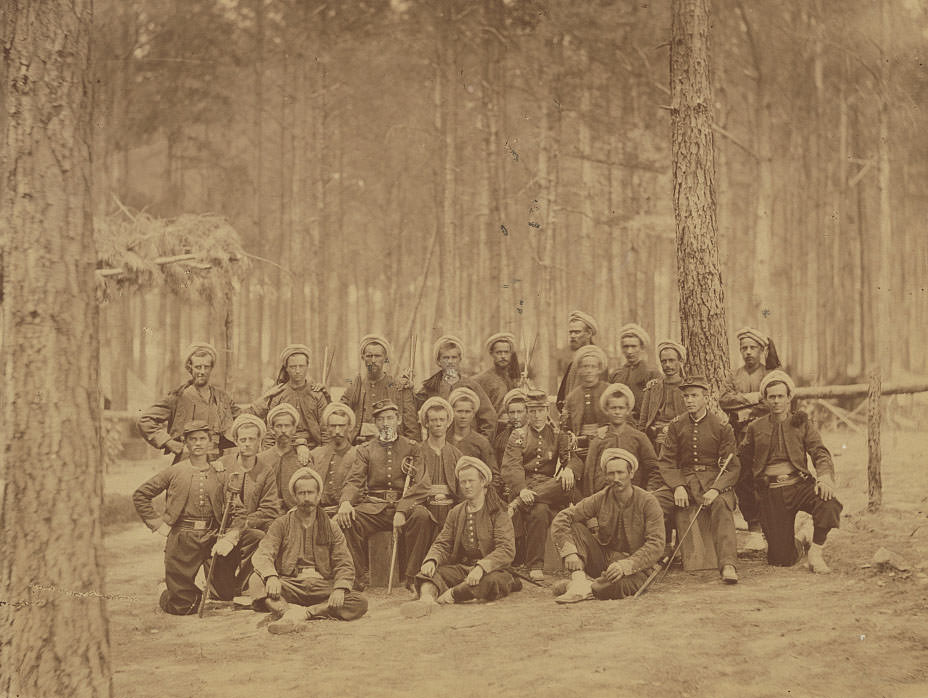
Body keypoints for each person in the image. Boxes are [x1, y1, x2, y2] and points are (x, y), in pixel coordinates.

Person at [133, 420, 242, 615]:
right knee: (183, 607)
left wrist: (229, 535)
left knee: (225, 596)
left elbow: (236, 507)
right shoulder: (175, 471)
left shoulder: (219, 472)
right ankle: (166, 591)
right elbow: (141, 494)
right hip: (183, 538)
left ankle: (201, 589)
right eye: (193, 439)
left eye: (202, 439)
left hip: (212, 536)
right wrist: (158, 524)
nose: (198, 443)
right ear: (186, 443)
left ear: (210, 443)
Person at [740, 371, 842, 573]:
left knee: (828, 502)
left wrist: (824, 477)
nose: (776, 401)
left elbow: (819, 452)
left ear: (789, 398)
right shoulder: (755, 427)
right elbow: (742, 463)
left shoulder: (802, 423)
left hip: (799, 485)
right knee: (780, 559)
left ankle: (816, 552)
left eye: (780, 396)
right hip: (771, 492)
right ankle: (802, 538)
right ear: (766, 399)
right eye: (772, 397)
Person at [248, 467, 369, 633]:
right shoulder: (281, 524)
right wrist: (271, 577)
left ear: (318, 495)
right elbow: (264, 554)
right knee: (256, 580)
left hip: (321, 585)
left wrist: (340, 588)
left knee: (359, 601)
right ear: (294, 496)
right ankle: (287, 612)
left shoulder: (331, 527)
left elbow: (344, 561)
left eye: (310, 493)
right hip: (292, 584)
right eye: (302, 493)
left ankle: (305, 613)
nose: (306, 498)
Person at [402, 456, 519, 617]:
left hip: (493, 570)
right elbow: (443, 543)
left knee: (489, 582)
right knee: (428, 574)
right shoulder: (456, 512)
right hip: (463, 568)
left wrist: (481, 567)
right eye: (463, 482)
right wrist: (432, 560)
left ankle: (452, 595)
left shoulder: (498, 512)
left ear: (483, 482)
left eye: (471, 481)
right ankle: (427, 600)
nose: (466, 486)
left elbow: (506, 549)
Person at [653, 376, 741, 584]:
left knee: (721, 505)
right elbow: (666, 461)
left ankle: (728, 564)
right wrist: (677, 486)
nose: (689, 400)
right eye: (686, 396)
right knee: (654, 503)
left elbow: (732, 467)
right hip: (684, 480)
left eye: (694, 395)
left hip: (713, 481)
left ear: (706, 397)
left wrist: (717, 489)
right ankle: (656, 555)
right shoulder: (676, 426)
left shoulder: (721, 427)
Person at [336, 400, 432, 589]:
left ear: (399, 420)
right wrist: (346, 502)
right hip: (375, 508)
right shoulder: (366, 450)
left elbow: (422, 484)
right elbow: (355, 480)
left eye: (390, 418)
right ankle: (357, 577)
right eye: (380, 419)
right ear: (376, 423)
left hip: (403, 504)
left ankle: (412, 576)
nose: (386, 423)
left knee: (422, 516)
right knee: (347, 521)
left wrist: (403, 510)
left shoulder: (413, 448)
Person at [551, 448, 665, 603]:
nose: (616, 478)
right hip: (604, 560)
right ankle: (578, 580)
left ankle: (579, 586)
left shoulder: (648, 502)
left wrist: (627, 565)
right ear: (605, 476)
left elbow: (656, 544)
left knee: (612, 588)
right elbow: (563, 517)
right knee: (575, 526)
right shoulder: (601, 498)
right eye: (611, 473)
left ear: (631, 474)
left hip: (637, 568)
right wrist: (569, 552)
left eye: (620, 473)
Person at [502, 389, 581, 581]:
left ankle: (517, 504)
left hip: (550, 486)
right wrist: (522, 489)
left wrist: (569, 468)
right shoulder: (518, 436)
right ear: (527, 412)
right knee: (540, 510)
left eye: (540, 410)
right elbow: (512, 467)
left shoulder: (557, 434)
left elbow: (573, 458)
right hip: (527, 486)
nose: (537, 415)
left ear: (547, 410)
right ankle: (535, 565)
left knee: (565, 484)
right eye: (532, 410)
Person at [719, 327, 779, 532]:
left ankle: (771, 523)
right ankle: (753, 524)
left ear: (762, 350)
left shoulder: (770, 374)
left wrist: (747, 412)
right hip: (741, 436)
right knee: (743, 478)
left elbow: (769, 402)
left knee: (764, 477)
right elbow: (724, 400)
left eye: (753, 347)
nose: (748, 352)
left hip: (766, 434)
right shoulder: (734, 375)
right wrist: (749, 398)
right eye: (744, 348)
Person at [137, 342, 239, 462]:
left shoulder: (222, 398)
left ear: (211, 368)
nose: (202, 372)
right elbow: (145, 421)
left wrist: (266, 400)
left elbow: (244, 416)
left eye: (206, 367)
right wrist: (168, 442)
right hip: (186, 462)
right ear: (190, 368)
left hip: (216, 461)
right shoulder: (177, 398)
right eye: (198, 367)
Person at [218, 414, 281, 596]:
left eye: (252, 439)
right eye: (242, 439)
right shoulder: (222, 465)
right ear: (236, 441)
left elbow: (269, 509)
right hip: (220, 529)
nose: (247, 444)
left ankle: (243, 584)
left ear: (260, 441)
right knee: (222, 593)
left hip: (247, 529)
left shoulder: (265, 471)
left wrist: (240, 528)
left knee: (259, 537)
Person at [250, 343, 330, 453]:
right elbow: (270, 431)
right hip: (285, 448)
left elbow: (325, 430)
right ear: (286, 368)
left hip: (314, 448)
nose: (297, 371)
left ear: (307, 366)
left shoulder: (317, 394)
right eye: (293, 367)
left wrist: (325, 453)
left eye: (301, 366)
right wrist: (266, 456)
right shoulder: (279, 394)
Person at [415, 335, 497, 439]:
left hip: (467, 444)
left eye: (454, 357)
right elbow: (413, 413)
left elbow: (489, 417)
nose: (450, 361)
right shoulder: (430, 387)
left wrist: (480, 443)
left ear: (460, 360)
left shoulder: (471, 386)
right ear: (438, 361)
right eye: (446, 358)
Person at [585, 383, 659, 498]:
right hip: (604, 497)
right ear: (607, 410)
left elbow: (654, 469)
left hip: (633, 497)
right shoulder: (598, 439)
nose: (617, 412)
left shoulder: (639, 437)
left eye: (621, 408)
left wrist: (648, 492)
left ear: (628, 410)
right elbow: (589, 474)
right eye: (613, 408)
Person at [341, 335, 418, 443]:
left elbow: (411, 427)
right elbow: (339, 415)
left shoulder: (399, 387)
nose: (373, 360)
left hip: (391, 446)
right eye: (369, 356)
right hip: (359, 447)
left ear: (385, 358)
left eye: (377, 356)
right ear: (363, 358)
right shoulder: (354, 387)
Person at [418, 396, 464, 531]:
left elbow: (461, 492)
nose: (438, 424)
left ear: (448, 422)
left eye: (441, 420)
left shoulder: (457, 455)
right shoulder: (417, 452)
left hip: (450, 511)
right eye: (433, 420)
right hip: (425, 511)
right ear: (427, 423)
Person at [561, 344, 611, 463]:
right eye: (585, 366)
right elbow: (565, 427)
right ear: (580, 369)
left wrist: (607, 429)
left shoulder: (609, 391)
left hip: (605, 445)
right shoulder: (572, 396)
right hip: (580, 448)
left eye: (593, 366)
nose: (589, 370)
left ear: (599, 369)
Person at [638, 340, 688, 452]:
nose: (667, 365)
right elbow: (643, 423)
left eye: (671, 360)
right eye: (664, 361)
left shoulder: (687, 388)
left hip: (681, 442)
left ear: (680, 361)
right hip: (655, 441)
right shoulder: (652, 388)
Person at [448, 387, 500, 494]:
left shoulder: (481, 443)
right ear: (452, 412)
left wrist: (483, 495)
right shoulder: (444, 439)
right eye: (459, 411)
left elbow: (495, 477)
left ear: (473, 414)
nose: (463, 416)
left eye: (467, 412)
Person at [310, 403, 359, 513]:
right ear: (327, 428)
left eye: (341, 426)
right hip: (319, 512)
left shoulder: (358, 455)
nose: (337, 431)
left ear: (350, 427)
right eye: (333, 426)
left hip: (347, 512)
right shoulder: (315, 455)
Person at [609, 323, 661, 422]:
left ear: (641, 347)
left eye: (633, 346)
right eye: (626, 347)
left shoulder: (652, 373)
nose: (629, 351)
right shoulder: (615, 375)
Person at [259, 404, 306, 511]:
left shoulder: (303, 458)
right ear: (272, 430)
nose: (283, 430)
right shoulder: (261, 459)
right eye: (279, 426)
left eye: (287, 425)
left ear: (294, 429)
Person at [555, 310, 603, 411]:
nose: (572, 336)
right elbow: (561, 399)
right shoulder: (573, 364)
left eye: (577, 332)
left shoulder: (599, 361)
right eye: (571, 332)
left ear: (589, 333)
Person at [474, 332, 522, 416]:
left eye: (506, 352)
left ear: (510, 354)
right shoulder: (481, 380)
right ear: (491, 354)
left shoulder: (515, 379)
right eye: (499, 352)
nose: (503, 356)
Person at [493, 389, 528, 475]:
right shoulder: (501, 437)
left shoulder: (533, 434)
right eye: (512, 412)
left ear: (527, 412)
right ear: (508, 414)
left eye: (519, 412)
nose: (516, 417)